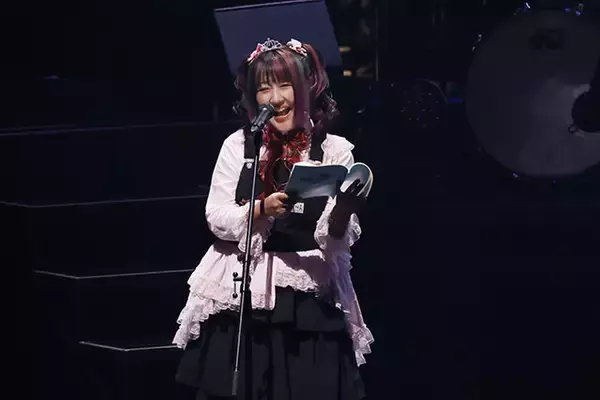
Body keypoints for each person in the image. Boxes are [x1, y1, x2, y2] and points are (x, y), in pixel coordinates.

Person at [173, 37, 373, 400]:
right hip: (243, 289)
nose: (276, 98)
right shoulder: (240, 145)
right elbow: (215, 216)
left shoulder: (334, 149)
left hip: (307, 293)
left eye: (285, 85)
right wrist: (261, 209)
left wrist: (344, 209)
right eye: (264, 89)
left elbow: (334, 241)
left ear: (307, 86)